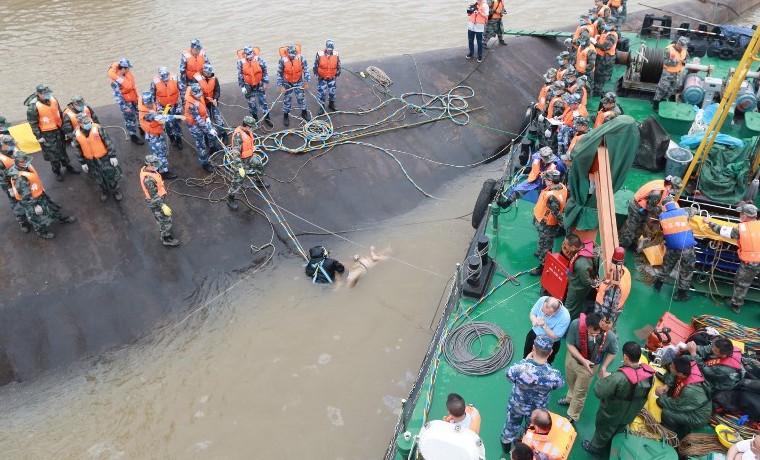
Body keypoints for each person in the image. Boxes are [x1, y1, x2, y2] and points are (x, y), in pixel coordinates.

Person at [581, 341, 655, 455]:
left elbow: (599, 391)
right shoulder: (649, 376)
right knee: (619, 430)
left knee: (604, 430)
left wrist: (604, 378)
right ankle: (611, 446)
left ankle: (595, 447)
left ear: (625, 356)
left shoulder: (619, 377)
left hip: (613, 412)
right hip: (630, 413)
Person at [500, 334, 565, 454]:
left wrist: (526, 360)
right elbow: (559, 385)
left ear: (533, 348)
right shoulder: (554, 375)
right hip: (537, 411)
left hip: (517, 405)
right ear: (550, 352)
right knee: (532, 429)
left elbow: (508, 375)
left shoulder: (520, 368)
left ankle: (506, 446)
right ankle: (524, 444)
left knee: (511, 426)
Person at [558, 312, 618, 425]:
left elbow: (613, 352)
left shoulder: (609, 336)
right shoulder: (576, 324)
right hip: (572, 359)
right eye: (591, 333)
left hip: (589, 367)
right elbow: (570, 344)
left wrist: (604, 367)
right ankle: (570, 398)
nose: (594, 336)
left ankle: (572, 415)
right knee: (570, 381)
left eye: (597, 334)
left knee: (580, 392)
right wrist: (582, 360)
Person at [704, 204, 760, 313]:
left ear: (744, 216)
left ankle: (735, 305)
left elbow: (722, 231)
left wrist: (709, 222)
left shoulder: (742, 229)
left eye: (741, 213)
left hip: (751, 262)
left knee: (742, 283)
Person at [9, 150, 76, 239]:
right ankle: (41, 233)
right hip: (32, 201)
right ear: (20, 163)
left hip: (40, 194)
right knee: (37, 218)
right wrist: (35, 205)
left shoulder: (24, 167)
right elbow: (26, 195)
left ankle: (62, 218)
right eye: (25, 161)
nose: (28, 162)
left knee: (52, 206)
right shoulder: (20, 178)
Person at [26, 84, 79, 181]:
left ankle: (67, 166)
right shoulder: (33, 107)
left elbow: (59, 113)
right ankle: (57, 171)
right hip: (47, 134)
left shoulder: (53, 99)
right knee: (52, 154)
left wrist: (65, 128)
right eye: (45, 93)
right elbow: (33, 123)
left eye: (48, 93)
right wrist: (38, 136)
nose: (48, 95)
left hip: (58, 130)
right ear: (39, 94)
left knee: (62, 149)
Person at [655, 355, 711, 439]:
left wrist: (661, 396)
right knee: (668, 392)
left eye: (672, 367)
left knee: (667, 412)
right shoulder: (688, 369)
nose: (670, 366)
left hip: (696, 416)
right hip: (689, 403)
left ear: (680, 374)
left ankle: (671, 433)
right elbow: (674, 374)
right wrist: (667, 385)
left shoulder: (690, 390)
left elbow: (676, 406)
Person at [619, 175, 682, 249]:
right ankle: (621, 249)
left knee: (640, 228)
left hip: (644, 209)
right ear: (670, 185)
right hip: (636, 208)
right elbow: (650, 207)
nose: (674, 191)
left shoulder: (665, 186)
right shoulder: (657, 193)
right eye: (674, 188)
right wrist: (662, 214)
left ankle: (632, 245)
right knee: (631, 230)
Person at [72, 113, 123, 202]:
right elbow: (77, 149)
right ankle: (104, 191)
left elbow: (108, 141)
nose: (88, 124)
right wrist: (83, 162)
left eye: (89, 122)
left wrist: (112, 156)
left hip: (104, 157)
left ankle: (116, 190)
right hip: (90, 161)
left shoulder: (98, 128)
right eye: (85, 123)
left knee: (111, 174)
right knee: (97, 177)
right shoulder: (76, 134)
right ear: (80, 124)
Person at [654, 196, 696, 301]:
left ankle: (657, 286)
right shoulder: (683, 212)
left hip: (672, 247)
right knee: (686, 270)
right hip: (686, 248)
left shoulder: (662, 216)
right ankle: (681, 294)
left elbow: (662, 229)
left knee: (667, 266)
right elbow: (694, 210)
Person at [138, 91, 185, 180]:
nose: (151, 105)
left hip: (157, 133)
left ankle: (158, 169)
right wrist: (177, 116)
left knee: (161, 152)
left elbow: (156, 113)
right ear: (144, 103)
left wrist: (159, 111)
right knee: (160, 154)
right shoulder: (145, 114)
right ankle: (163, 172)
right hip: (153, 137)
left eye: (151, 103)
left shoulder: (151, 107)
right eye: (149, 104)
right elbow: (160, 118)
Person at [530, 170, 567, 275]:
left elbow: (556, 214)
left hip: (546, 226)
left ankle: (542, 266)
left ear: (551, 181)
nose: (544, 181)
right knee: (543, 241)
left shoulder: (552, 197)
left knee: (546, 246)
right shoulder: (561, 187)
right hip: (543, 224)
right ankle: (540, 251)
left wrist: (563, 225)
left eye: (546, 179)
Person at [226, 116, 267, 211]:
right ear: (247, 126)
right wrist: (240, 167)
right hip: (241, 161)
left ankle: (258, 181)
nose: (252, 128)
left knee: (258, 165)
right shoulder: (238, 136)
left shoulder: (247, 131)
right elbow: (235, 153)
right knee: (238, 180)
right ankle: (230, 198)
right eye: (251, 127)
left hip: (249, 157)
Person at [139, 154, 180, 247]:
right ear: (149, 165)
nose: (157, 166)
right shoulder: (148, 180)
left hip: (158, 198)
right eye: (155, 164)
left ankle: (165, 233)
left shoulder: (149, 171)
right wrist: (162, 205)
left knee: (161, 218)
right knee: (165, 219)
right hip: (156, 202)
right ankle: (166, 238)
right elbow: (154, 196)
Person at [524, 296, 570, 364]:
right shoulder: (542, 299)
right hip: (534, 334)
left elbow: (555, 338)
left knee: (545, 363)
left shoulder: (565, 317)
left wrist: (544, 326)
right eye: (542, 311)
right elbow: (532, 314)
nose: (544, 315)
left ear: (555, 312)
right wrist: (534, 321)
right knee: (526, 356)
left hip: (549, 343)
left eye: (547, 314)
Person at [107, 58, 143, 145]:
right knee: (130, 119)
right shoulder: (115, 81)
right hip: (126, 102)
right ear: (123, 69)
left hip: (134, 99)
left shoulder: (126, 74)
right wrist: (125, 107)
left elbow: (132, 86)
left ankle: (141, 129)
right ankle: (133, 135)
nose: (129, 70)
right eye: (128, 68)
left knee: (139, 115)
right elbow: (117, 96)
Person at [562, 234, 598, 319]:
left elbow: (585, 281)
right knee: (577, 305)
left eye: (566, 245)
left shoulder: (581, 263)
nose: (564, 247)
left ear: (573, 248)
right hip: (576, 281)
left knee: (569, 308)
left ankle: (567, 325)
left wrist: (595, 283)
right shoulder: (582, 248)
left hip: (577, 288)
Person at [0, 136, 32, 233]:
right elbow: (2, 178)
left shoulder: (14, 150)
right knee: (16, 203)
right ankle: (22, 221)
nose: (13, 146)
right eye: (10, 145)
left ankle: (32, 215)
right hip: (10, 184)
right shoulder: (1, 159)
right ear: (3, 146)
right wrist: (9, 189)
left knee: (28, 198)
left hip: (23, 179)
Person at [237, 45, 274, 128]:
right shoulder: (240, 63)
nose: (249, 56)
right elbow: (240, 75)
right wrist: (242, 86)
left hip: (259, 84)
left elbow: (265, 71)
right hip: (248, 86)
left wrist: (265, 83)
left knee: (263, 102)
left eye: (251, 54)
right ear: (245, 55)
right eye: (247, 54)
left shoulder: (260, 60)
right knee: (251, 103)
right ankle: (255, 119)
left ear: (253, 53)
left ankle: (267, 118)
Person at [150, 66, 184, 150]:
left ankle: (179, 139)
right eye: (163, 78)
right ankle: (172, 138)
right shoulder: (155, 81)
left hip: (175, 104)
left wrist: (184, 102)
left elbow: (182, 90)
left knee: (177, 122)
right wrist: (154, 108)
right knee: (167, 124)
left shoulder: (175, 78)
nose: (165, 79)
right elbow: (152, 95)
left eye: (166, 77)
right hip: (163, 106)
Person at [184, 83, 216, 172]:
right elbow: (198, 120)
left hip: (203, 119)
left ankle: (213, 147)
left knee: (211, 135)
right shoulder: (190, 104)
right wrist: (209, 129)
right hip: (194, 125)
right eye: (197, 95)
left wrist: (208, 118)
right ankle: (204, 163)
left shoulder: (199, 95)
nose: (199, 96)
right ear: (192, 94)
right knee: (200, 144)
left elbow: (203, 108)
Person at [278, 44, 311, 127]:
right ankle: (286, 115)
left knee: (301, 98)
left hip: (298, 81)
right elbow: (279, 73)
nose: (292, 56)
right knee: (287, 99)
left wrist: (306, 82)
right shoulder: (282, 60)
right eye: (290, 55)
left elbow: (306, 69)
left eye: (293, 55)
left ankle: (304, 113)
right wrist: (281, 85)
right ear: (287, 53)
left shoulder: (301, 58)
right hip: (287, 83)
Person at [594, 247, 631, 323]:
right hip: (619, 308)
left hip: (603, 315)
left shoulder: (614, 286)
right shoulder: (626, 272)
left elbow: (608, 308)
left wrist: (604, 322)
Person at [653, 36, 689, 111]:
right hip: (668, 74)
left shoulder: (684, 50)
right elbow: (665, 61)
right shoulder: (668, 50)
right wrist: (677, 61)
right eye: (682, 46)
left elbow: (686, 58)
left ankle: (663, 102)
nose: (682, 48)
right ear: (678, 44)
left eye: (684, 47)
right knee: (662, 89)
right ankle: (656, 104)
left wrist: (684, 62)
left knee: (671, 89)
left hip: (677, 74)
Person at [313, 40, 342, 115]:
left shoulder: (336, 54)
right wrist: (317, 73)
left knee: (332, 92)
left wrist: (338, 73)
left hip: (332, 77)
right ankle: (321, 106)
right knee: (321, 93)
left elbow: (339, 64)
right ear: (326, 47)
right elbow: (315, 65)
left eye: (331, 49)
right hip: (322, 78)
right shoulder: (319, 54)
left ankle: (331, 104)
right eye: (328, 49)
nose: (330, 50)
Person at [592, 18, 618, 97]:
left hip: (606, 59)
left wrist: (595, 43)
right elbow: (604, 39)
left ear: (613, 25)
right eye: (606, 24)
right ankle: (596, 90)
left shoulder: (612, 35)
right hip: (601, 57)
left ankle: (597, 93)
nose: (606, 25)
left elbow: (605, 47)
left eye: (609, 25)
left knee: (601, 77)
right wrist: (599, 37)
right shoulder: (606, 31)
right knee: (597, 75)